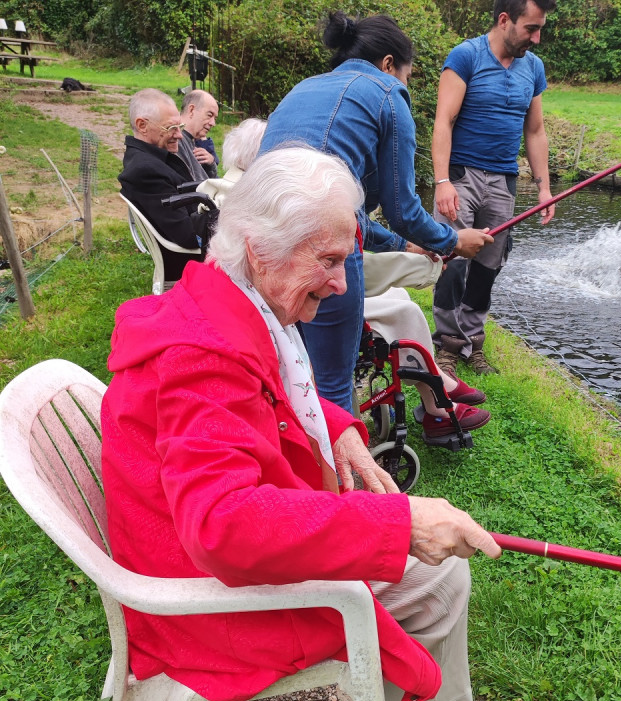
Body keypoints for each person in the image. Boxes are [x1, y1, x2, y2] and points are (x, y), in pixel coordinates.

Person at [101, 147, 501, 701]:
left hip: (171, 545)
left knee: (430, 563)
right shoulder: (199, 359)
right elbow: (224, 525)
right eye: (328, 259)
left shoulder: (223, 299)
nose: (343, 284)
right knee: (440, 575)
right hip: (197, 599)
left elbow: (279, 388)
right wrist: (398, 523)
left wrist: (339, 430)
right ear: (260, 249)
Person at [260, 12, 494, 414]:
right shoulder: (387, 92)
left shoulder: (306, 87)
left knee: (292, 362)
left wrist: (406, 245)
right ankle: (341, 474)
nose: (406, 85)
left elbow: (350, 212)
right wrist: (453, 240)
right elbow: (401, 208)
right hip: (320, 241)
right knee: (333, 382)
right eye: (407, 75)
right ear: (389, 64)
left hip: (260, 234)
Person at [199, 119, 490, 438]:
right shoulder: (278, 213)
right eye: (330, 260)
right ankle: (435, 394)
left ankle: (433, 381)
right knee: (402, 309)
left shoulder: (232, 194)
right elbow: (355, 273)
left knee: (398, 299)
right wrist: (428, 268)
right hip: (310, 312)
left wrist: (407, 247)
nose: (340, 281)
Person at [431, 0, 557, 378]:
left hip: (503, 181)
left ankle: (473, 343)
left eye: (539, 30)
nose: (535, 38)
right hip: (460, 176)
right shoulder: (466, 56)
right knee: (454, 261)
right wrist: (442, 183)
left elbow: (534, 131)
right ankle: (447, 347)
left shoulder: (532, 67)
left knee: (488, 266)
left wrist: (544, 188)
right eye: (530, 29)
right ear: (505, 20)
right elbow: (444, 120)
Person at [118, 88, 216, 283]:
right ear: (142, 125)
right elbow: (188, 234)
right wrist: (223, 217)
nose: (179, 135)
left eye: (180, 126)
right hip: (190, 263)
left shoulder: (150, 158)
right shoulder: (145, 170)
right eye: (171, 128)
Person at [178, 89, 219, 181]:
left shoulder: (192, 139)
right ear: (191, 110)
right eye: (209, 115)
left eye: (215, 118)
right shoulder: (175, 141)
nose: (213, 123)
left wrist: (211, 163)